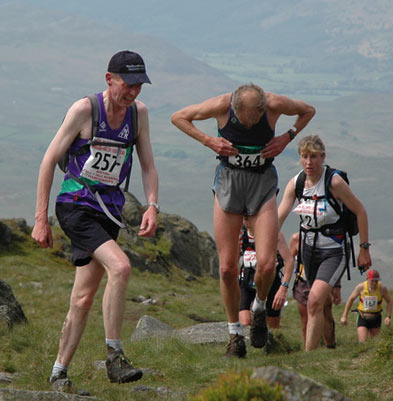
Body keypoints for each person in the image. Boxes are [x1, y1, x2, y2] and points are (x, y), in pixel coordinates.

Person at [31, 50, 158, 386]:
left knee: (83, 297)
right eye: (127, 84)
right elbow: (48, 162)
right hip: (75, 204)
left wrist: (152, 205)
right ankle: (115, 357)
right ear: (109, 79)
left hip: (109, 210)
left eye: (138, 86)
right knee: (121, 267)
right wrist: (40, 219)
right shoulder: (85, 110)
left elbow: (147, 165)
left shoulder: (138, 115)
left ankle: (58, 373)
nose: (132, 92)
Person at [171, 83, 315, 357]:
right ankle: (235, 334)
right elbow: (178, 117)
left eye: (254, 119)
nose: (249, 125)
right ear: (234, 108)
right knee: (226, 268)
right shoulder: (220, 104)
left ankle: (259, 307)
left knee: (266, 263)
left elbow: (308, 110)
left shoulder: (274, 105)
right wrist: (209, 140)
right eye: (244, 119)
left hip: (261, 183)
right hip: (229, 183)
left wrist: (287, 136)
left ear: (263, 109)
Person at [278, 135, 371, 351]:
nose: (309, 162)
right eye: (304, 157)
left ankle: (308, 356)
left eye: (314, 157)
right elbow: (278, 218)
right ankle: (330, 347)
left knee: (313, 301)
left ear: (323, 157)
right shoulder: (296, 183)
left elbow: (360, 211)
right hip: (308, 251)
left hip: (333, 251)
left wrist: (364, 249)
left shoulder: (334, 182)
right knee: (323, 304)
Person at [238, 217, 294, 330]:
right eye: (245, 218)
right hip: (247, 282)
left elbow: (289, 261)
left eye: (250, 217)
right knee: (245, 322)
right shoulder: (240, 235)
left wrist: (283, 288)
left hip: (272, 283)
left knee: (272, 326)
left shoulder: (275, 235)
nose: (247, 221)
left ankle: (272, 344)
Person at [289, 232, 339, 349]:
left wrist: (337, 286)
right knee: (305, 318)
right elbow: (289, 261)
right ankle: (309, 350)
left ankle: (331, 345)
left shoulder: (325, 237)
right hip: (303, 282)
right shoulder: (296, 239)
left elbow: (335, 261)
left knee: (326, 313)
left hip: (322, 280)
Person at [340, 269, 392, 342]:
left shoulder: (382, 288)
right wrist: (344, 316)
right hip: (362, 317)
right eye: (372, 281)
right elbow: (351, 299)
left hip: (376, 318)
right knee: (362, 342)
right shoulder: (361, 287)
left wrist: (388, 316)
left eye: (376, 281)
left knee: (375, 342)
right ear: (367, 279)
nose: (374, 283)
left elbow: (389, 301)